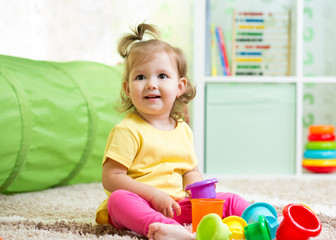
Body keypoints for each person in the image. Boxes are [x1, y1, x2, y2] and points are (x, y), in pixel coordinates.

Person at [95, 23, 250, 240]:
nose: (151, 84)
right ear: (127, 89)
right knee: (118, 200)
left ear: (180, 86)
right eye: (140, 77)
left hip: (176, 205)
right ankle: (167, 229)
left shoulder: (183, 130)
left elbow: (190, 172)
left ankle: (259, 221)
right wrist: (154, 195)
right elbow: (111, 178)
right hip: (140, 203)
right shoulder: (127, 130)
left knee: (230, 200)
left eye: (162, 76)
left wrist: (201, 196)